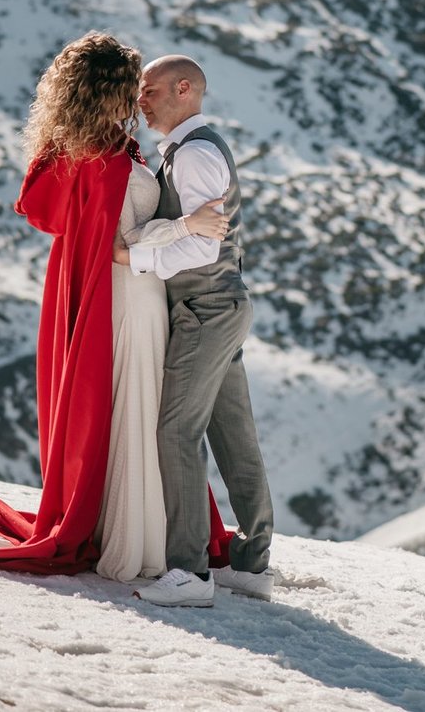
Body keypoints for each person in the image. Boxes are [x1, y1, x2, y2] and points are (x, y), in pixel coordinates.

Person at [0, 32, 233, 581]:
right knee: (141, 409)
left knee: (136, 410)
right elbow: (121, 249)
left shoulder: (87, 150)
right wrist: (186, 226)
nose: (141, 100)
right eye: (133, 88)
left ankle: (135, 526)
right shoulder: (103, 158)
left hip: (127, 293)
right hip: (131, 295)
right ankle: (140, 536)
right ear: (110, 90)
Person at [128, 55, 276, 607]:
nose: (141, 99)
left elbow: (200, 245)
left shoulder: (193, 156)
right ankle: (252, 564)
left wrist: (136, 258)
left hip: (204, 308)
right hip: (220, 304)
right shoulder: (189, 151)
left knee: (176, 432)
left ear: (184, 89)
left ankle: (189, 573)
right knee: (233, 434)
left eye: (150, 90)